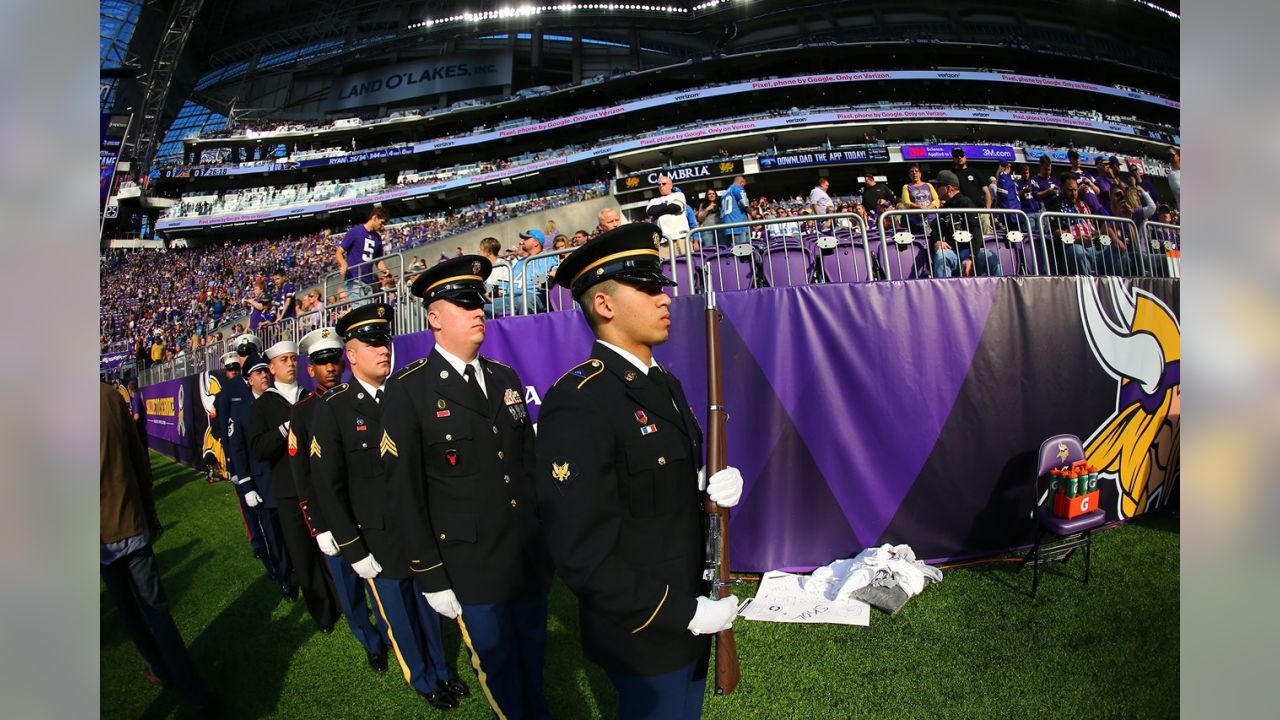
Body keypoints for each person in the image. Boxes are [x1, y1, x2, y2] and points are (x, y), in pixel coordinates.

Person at [535, 224, 745, 720]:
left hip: (693, 599)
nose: (664, 298)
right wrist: (683, 613)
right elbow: (581, 552)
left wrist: (705, 488)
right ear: (604, 306)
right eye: (648, 288)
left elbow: (654, 488)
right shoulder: (580, 401)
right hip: (646, 625)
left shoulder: (663, 382)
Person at [382, 256, 554, 720]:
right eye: (463, 304)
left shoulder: (503, 376)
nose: (479, 311)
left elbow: (526, 463)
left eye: (479, 301)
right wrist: (430, 573)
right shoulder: (408, 389)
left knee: (533, 656)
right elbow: (405, 492)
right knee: (499, 666)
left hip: (524, 553)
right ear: (434, 318)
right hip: (469, 561)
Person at [310, 303, 467, 711]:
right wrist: (352, 547)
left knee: (430, 604)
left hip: (419, 527)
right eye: (371, 343)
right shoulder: (334, 407)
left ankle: (444, 670)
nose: (383, 350)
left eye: (386, 342)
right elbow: (328, 484)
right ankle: (423, 678)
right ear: (351, 353)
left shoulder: (407, 393)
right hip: (376, 536)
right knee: (399, 615)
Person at [101, 382, 212, 711]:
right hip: (131, 521)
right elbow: (139, 458)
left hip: (103, 537)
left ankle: (163, 670)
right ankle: (194, 692)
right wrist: (148, 510)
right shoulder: (109, 395)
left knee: (131, 612)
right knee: (155, 611)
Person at [289, 327, 390, 673]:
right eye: (322, 363)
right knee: (349, 589)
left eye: (334, 360)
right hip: (332, 518)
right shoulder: (302, 412)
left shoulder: (358, 398)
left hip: (368, 509)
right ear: (310, 369)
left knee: (382, 578)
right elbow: (302, 474)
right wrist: (318, 525)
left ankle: (394, 636)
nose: (330, 368)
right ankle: (371, 643)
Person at [249, 340, 341, 631]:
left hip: (321, 483)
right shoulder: (263, 405)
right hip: (288, 492)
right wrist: (282, 430)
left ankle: (344, 598)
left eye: (293, 359)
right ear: (272, 368)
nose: (290, 364)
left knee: (335, 544)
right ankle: (323, 612)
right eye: (284, 360)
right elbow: (257, 448)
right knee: (303, 553)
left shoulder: (311, 396)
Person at [226, 352, 295, 600]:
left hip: (287, 478)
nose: (264, 375)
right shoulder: (243, 410)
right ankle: (285, 579)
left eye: (265, 370)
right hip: (264, 484)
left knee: (294, 531)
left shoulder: (280, 399)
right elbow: (239, 449)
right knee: (274, 537)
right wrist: (246, 485)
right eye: (257, 372)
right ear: (249, 380)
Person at [929, 170, 1002, 278]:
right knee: (941, 256)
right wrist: (937, 241)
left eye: (938, 185)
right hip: (953, 252)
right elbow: (935, 230)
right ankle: (944, 294)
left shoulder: (966, 203)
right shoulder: (944, 208)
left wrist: (971, 258)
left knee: (990, 257)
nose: (935, 189)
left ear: (949, 188)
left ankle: (1000, 291)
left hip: (970, 251)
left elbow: (976, 230)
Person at [336, 206, 389, 300]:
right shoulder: (355, 232)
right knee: (362, 309)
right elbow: (339, 252)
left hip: (368, 281)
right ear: (374, 217)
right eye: (382, 222)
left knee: (366, 311)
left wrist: (385, 269)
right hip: (354, 279)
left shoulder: (378, 238)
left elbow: (378, 260)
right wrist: (343, 264)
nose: (382, 226)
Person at [510, 229, 559, 315]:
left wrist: (545, 277)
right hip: (511, 298)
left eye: (526, 239)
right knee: (487, 306)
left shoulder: (547, 257)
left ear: (536, 243)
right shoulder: (519, 262)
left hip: (535, 296)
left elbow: (557, 270)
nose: (522, 241)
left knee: (524, 301)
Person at [645, 173, 691, 259]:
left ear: (670, 185)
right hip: (664, 241)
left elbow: (676, 207)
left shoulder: (678, 195)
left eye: (664, 184)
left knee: (686, 265)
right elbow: (650, 211)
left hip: (680, 238)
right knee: (667, 268)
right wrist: (667, 206)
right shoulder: (654, 200)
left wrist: (659, 209)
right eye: (659, 184)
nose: (661, 186)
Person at [717, 175, 750, 244]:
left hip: (728, 227)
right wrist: (752, 213)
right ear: (742, 183)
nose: (743, 188)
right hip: (739, 225)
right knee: (744, 251)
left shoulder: (724, 194)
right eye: (744, 186)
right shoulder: (737, 188)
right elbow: (745, 203)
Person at [127, 379, 146, 450]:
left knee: (140, 448)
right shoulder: (137, 397)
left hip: (139, 428)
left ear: (129, 389)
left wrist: (131, 426)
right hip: (142, 427)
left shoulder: (135, 399)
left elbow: (136, 416)